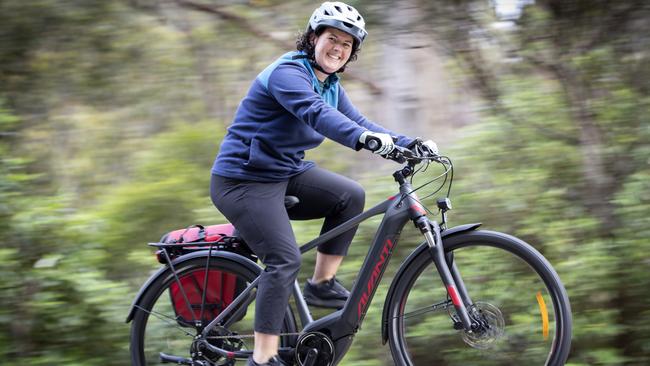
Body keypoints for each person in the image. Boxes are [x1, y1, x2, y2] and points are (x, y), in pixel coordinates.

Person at [210, 2, 438, 365]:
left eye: (346, 45)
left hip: (284, 172)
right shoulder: (288, 73)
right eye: (332, 38)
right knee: (283, 261)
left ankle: (321, 285)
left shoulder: (330, 83)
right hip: (243, 180)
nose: (338, 48)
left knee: (350, 195)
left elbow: (359, 120)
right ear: (314, 38)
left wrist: (411, 143)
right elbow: (317, 115)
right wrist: (363, 140)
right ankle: (263, 358)